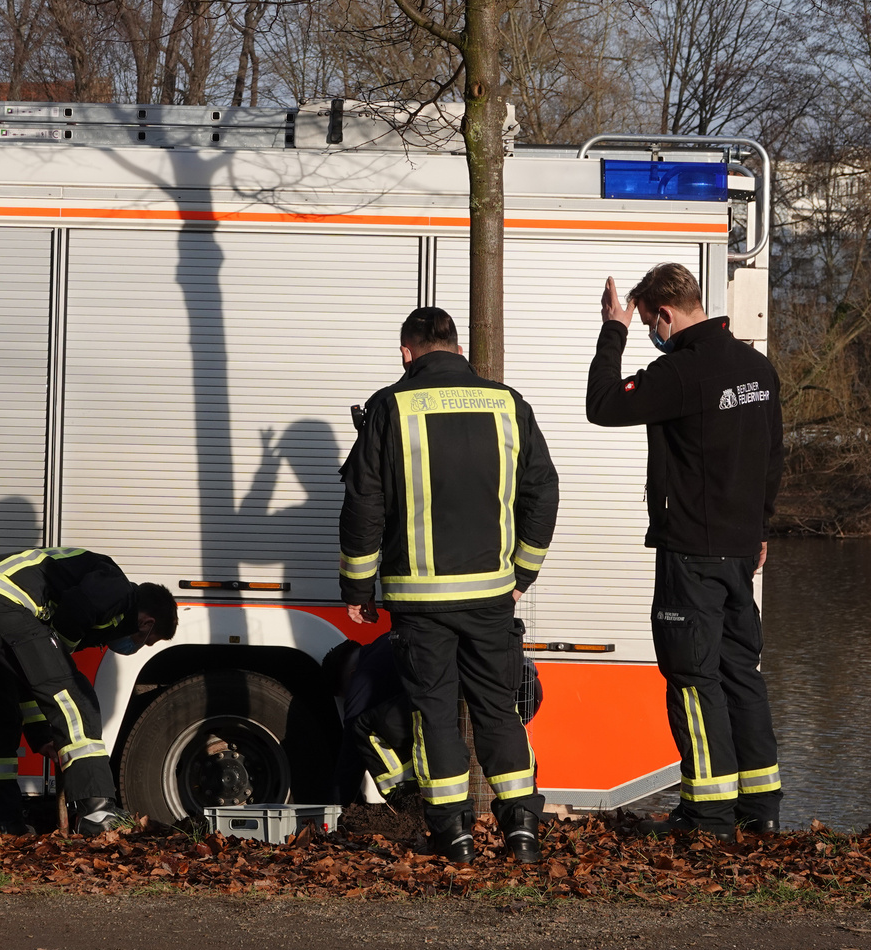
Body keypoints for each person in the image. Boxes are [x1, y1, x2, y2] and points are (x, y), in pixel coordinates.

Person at [339, 307, 559, 863]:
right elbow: (544, 492)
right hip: (491, 595)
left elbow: (364, 506)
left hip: (420, 601)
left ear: (406, 353)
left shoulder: (391, 407)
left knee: (434, 714)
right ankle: (524, 833)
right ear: (458, 347)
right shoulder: (507, 403)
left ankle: (454, 836)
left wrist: (359, 589)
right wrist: (523, 572)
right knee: (497, 710)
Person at [586, 263, 785, 838]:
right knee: (740, 673)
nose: (651, 331)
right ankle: (761, 807)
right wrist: (761, 530)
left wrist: (613, 331)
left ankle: (708, 814)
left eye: (651, 321)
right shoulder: (757, 368)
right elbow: (774, 454)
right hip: (740, 552)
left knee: (693, 678)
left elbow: (603, 404)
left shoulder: (682, 371)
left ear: (666, 315)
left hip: (690, 553)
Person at [0, 548, 178, 836]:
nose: (134, 648)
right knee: (78, 700)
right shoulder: (118, 589)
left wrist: (41, 738)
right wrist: (59, 659)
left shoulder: (100, 602)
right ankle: (97, 811)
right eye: (145, 642)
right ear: (147, 623)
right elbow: (77, 608)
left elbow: (29, 680)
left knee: (2, 717)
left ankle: (0, 823)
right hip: (1, 602)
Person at [322, 631, 544, 810]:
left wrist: (334, 806)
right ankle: (524, 803)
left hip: (464, 698)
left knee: (365, 727)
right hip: (520, 688)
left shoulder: (361, 676)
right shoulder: (386, 641)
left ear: (349, 675)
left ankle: (408, 799)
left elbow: (350, 753)